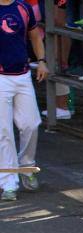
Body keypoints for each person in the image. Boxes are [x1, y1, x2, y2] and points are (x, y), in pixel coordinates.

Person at [0, 0, 48, 202]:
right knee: (4, 131)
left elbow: (35, 36)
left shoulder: (23, 7)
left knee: (31, 124)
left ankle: (26, 166)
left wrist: (42, 61)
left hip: (22, 74)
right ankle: (8, 183)